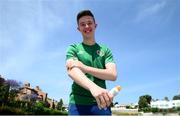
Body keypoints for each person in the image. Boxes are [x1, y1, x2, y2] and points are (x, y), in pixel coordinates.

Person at [66, 9, 117, 115]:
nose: (87, 26)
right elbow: (72, 70)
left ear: (95, 25)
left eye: (89, 23)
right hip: (77, 103)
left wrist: (84, 68)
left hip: (102, 103)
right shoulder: (73, 48)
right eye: (82, 24)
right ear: (78, 28)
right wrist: (93, 88)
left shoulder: (105, 50)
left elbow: (112, 74)